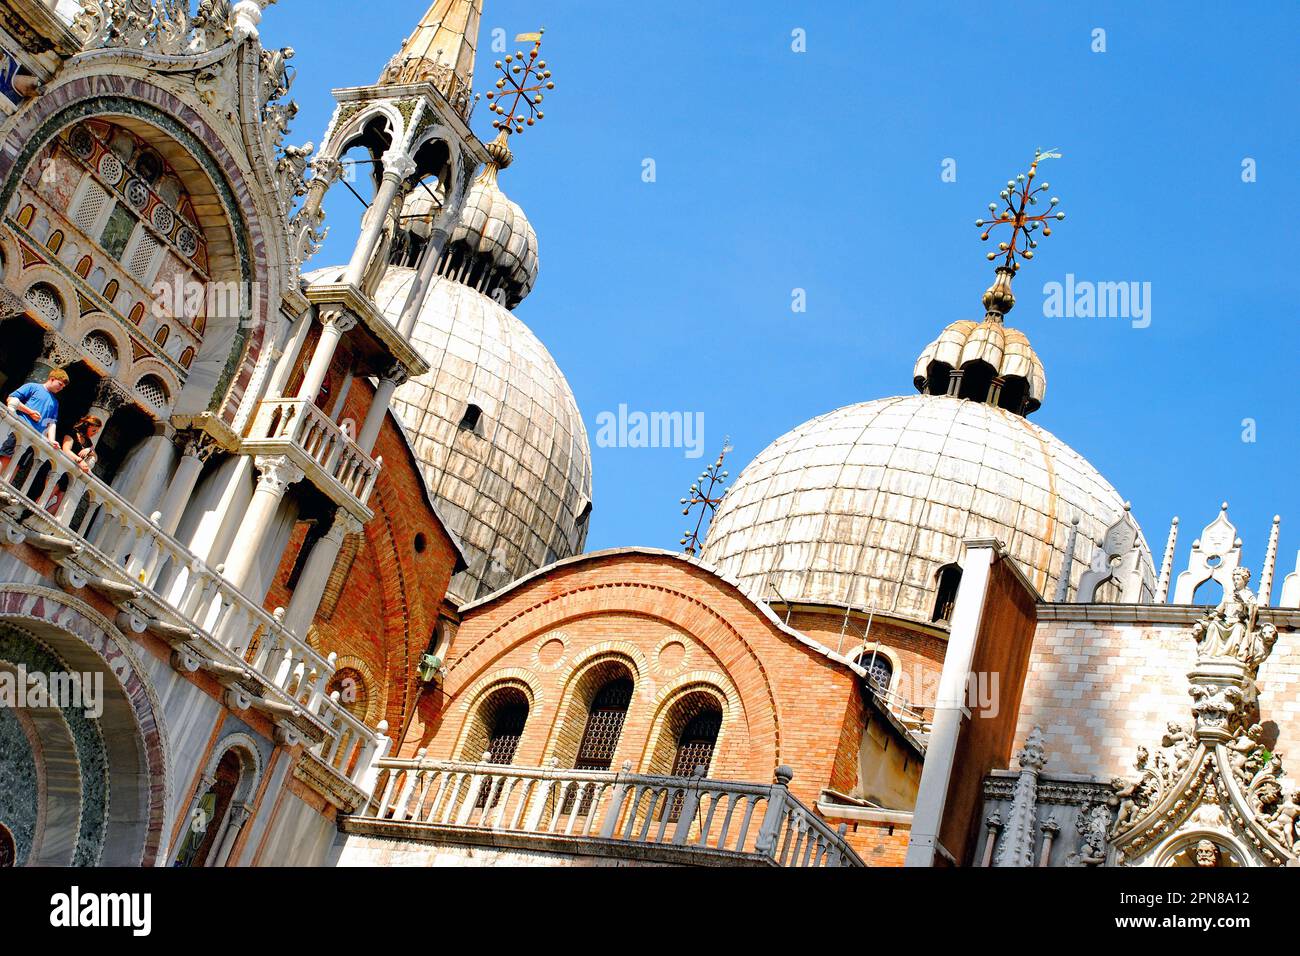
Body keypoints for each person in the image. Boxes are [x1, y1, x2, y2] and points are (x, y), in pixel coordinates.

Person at [0, 370, 68, 494]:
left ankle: (4, 487)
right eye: (60, 384)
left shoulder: (55, 402)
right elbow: (11, 399)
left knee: (19, 463)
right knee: (6, 455)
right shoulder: (33, 387)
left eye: (63, 386)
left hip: (33, 439)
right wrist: (29, 412)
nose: (61, 388)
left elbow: (51, 422)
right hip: (18, 430)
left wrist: (52, 440)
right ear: (52, 379)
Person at [44, 415, 101, 514]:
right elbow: (66, 450)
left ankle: (37, 520)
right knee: (48, 495)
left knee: (60, 504)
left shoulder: (88, 442)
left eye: (96, 432)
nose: (95, 434)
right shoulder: (72, 433)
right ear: (87, 426)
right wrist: (79, 460)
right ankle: (28, 517)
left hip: (70, 474)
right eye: (94, 430)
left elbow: (95, 457)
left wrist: (89, 449)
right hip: (60, 469)